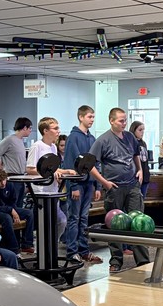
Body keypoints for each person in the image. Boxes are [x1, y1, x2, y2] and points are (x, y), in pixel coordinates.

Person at [90, 108, 150, 273]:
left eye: (125, 120)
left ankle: (143, 260)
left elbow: (136, 154)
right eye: (121, 121)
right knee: (115, 224)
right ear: (111, 121)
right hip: (114, 188)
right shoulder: (102, 140)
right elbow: (90, 165)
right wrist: (105, 183)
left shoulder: (130, 137)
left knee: (138, 222)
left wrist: (140, 170)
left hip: (132, 186)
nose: (124, 123)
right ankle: (116, 261)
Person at [62, 105, 101, 266]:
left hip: (89, 184)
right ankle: (72, 252)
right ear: (81, 117)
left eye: (93, 117)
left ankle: (84, 251)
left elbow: (95, 163)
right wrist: (74, 186)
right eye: (89, 117)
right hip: (77, 184)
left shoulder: (91, 138)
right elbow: (70, 163)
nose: (92, 120)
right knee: (74, 218)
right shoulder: (73, 137)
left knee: (84, 218)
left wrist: (98, 185)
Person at [26, 116, 75, 239]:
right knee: (52, 222)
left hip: (53, 190)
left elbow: (53, 169)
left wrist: (66, 171)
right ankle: (45, 245)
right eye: (55, 128)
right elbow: (30, 169)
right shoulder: (37, 146)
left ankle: (52, 244)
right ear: (45, 131)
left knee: (61, 221)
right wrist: (50, 173)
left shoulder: (53, 147)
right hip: (41, 191)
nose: (58, 131)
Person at [0, 170, 35, 254]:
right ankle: (14, 248)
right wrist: (10, 210)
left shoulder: (9, 185)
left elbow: (13, 201)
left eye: (4, 180)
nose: (2, 183)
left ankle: (27, 244)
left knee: (29, 214)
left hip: (9, 208)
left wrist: (12, 210)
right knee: (7, 218)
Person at [0, 117, 32, 207]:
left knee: (19, 204)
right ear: (24, 128)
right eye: (30, 128)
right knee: (13, 205)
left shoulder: (20, 140)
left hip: (21, 177)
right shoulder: (9, 140)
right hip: (12, 177)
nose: (30, 130)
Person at [129, 120, 151, 198]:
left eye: (143, 130)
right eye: (140, 130)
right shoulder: (130, 143)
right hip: (135, 176)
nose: (142, 132)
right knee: (135, 199)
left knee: (142, 198)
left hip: (145, 175)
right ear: (133, 130)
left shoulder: (143, 143)